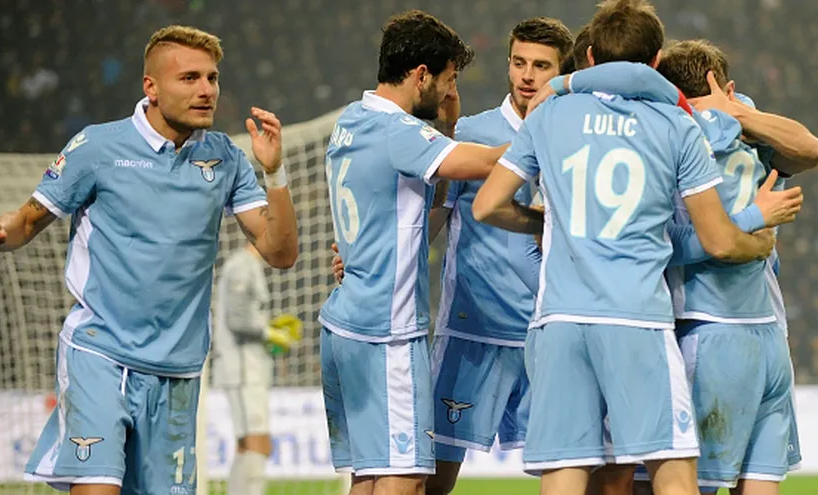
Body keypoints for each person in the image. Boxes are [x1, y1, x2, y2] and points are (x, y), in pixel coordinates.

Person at [0, 25, 298, 495]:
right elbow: (25, 221)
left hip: (178, 373)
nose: (206, 90)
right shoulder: (98, 148)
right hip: (101, 355)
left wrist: (274, 172)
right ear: (152, 87)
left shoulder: (225, 158)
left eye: (212, 77)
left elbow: (281, 252)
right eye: (189, 78)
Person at [471, 1, 780, 494]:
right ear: (656, 60)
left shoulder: (549, 114)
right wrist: (757, 232)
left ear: (588, 55)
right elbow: (718, 238)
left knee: (565, 475)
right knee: (674, 473)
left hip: (560, 321)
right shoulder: (675, 125)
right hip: (636, 319)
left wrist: (543, 222)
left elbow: (486, 207)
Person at [318, 9, 510, 495]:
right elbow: (489, 161)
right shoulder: (398, 133)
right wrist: (563, 133)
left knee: (370, 476)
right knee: (407, 482)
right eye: (447, 80)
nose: (450, 93)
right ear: (421, 75)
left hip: (344, 325)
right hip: (386, 333)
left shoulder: (352, 120)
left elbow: (416, 208)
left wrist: (444, 131)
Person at [424, 17, 573, 495]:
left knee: (574, 479)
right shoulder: (469, 131)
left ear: (563, 71)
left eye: (542, 66)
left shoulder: (578, 136)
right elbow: (433, 217)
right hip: (473, 330)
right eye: (519, 62)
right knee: (431, 481)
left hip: (550, 333)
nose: (528, 75)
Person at [212, 243, 304, 495]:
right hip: (242, 368)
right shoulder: (242, 264)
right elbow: (238, 318)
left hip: (248, 366)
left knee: (246, 445)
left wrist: (268, 331)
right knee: (258, 443)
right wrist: (270, 333)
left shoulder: (246, 264)